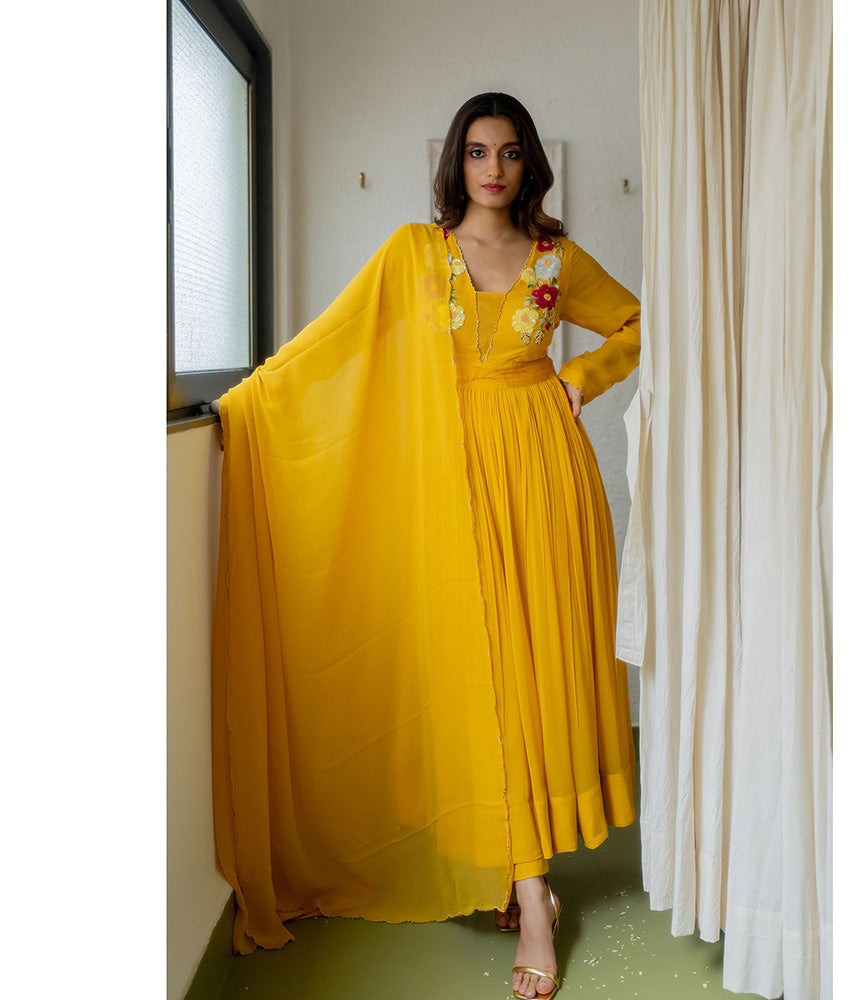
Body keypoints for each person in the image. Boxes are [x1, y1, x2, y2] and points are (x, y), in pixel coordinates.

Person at [210, 93, 640, 1000]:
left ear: (529, 164)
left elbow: (641, 324)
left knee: (529, 670)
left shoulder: (557, 259)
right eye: (478, 152)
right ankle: (526, 880)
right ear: (457, 162)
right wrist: (253, 399)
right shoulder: (417, 252)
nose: (494, 168)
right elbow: (336, 342)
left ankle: (531, 895)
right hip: (448, 481)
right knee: (479, 671)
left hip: (544, 478)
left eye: (510, 152)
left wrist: (581, 377)